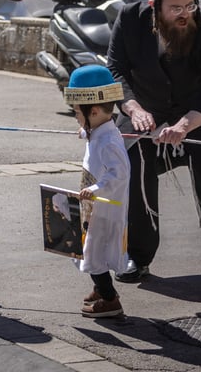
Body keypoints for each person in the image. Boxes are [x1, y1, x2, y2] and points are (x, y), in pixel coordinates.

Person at [106, 0, 201, 286]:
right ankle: (138, 257)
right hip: (145, 112)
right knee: (135, 174)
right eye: (176, 9)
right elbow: (115, 70)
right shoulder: (129, 18)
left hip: (197, 114)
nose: (185, 15)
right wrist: (133, 107)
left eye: (190, 6)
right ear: (155, 6)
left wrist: (186, 123)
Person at [64, 65, 131, 319]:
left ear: (93, 111)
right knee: (89, 248)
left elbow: (119, 174)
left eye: (77, 114)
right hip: (93, 207)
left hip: (103, 208)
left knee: (94, 253)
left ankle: (110, 299)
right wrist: (84, 131)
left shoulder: (108, 141)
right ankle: (101, 289)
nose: (76, 119)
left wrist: (95, 188)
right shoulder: (99, 132)